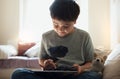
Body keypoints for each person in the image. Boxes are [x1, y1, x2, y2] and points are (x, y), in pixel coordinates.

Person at [11, 0, 102, 79]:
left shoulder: (84, 36)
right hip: (51, 75)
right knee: (18, 73)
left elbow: (90, 62)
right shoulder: (46, 36)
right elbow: (41, 60)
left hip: (74, 76)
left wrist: (81, 68)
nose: (60, 29)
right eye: (55, 24)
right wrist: (45, 63)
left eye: (66, 26)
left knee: (94, 76)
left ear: (75, 21)